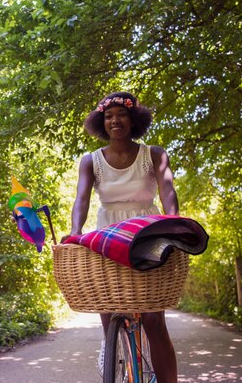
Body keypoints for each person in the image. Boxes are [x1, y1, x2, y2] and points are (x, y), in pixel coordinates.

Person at [61, 91, 179, 383]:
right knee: (109, 310)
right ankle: (120, 361)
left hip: (147, 233)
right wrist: (76, 233)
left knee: (153, 319)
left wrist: (176, 225)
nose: (115, 120)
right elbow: (82, 200)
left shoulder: (154, 154)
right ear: (102, 122)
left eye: (122, 114)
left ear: (133, 119)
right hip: (108, 236)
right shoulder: (91, 161)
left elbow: (167, 192)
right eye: (108, 116)